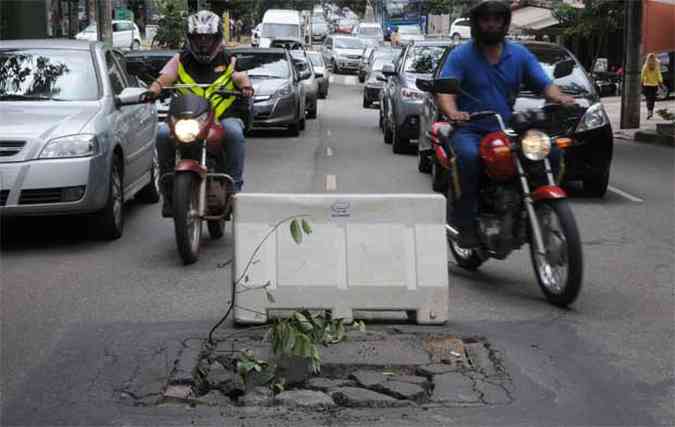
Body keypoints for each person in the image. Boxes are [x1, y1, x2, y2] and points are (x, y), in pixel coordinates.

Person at [435, 0, 575, 248]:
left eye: (496, 19)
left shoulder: (519, 54)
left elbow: (544, 83)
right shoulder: (461, 55)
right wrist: (453, 112)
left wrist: (559, 96)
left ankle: (539, 209)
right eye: (485, 19)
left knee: (550, 152)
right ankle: (465, 223)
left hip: (505, 128)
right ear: (477, 23)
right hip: (470, 128)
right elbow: (445, 92)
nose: (491, 24)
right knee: (468, 157)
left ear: (504, 23)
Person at [146, 10, 254, 217]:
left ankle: (235, 190)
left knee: (234, 133)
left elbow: (241, 77)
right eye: (198, 37)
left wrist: (246, 87)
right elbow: (164, 78)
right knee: (161, 134)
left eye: (208, 37)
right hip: (188, 118)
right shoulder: (181, 60)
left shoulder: (228, 59)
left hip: (222, 118)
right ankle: (168, 189)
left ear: (217, 39)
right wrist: (153, 91)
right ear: (190, 39)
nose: (203, 42)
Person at [641, 52, 664, 119]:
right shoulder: (656, 66)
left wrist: (641, 83)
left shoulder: (645, 66)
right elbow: (659, 75)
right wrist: (661, 83)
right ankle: (651, 111)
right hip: (654, 85)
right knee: (652, 99)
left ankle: (649, 111)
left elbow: (642, 75)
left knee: (648, 99)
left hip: (646, 85)